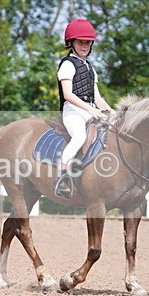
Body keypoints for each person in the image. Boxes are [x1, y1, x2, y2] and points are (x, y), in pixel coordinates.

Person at [53, 19, 114, 198]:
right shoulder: (67, 64)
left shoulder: (90, 68)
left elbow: (97, 97)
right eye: (81, 42)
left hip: (89, 110)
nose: (85, 46)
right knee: (79, 136)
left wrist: (111, 111)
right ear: (71, 43)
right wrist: (91, 110)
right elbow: (68, 94)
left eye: (88, 42)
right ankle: (61, 177)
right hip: (73, 110)